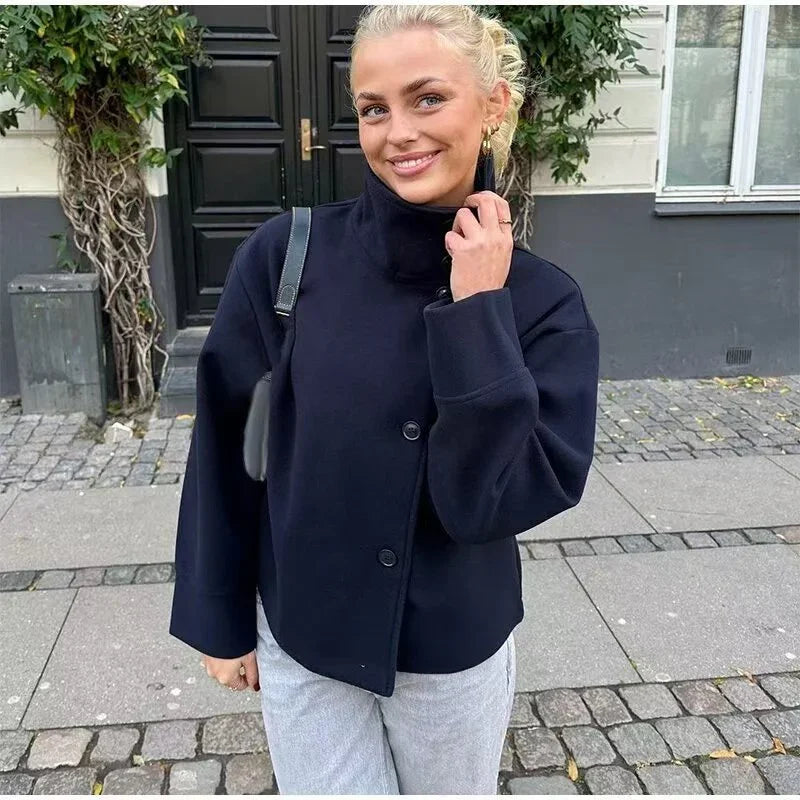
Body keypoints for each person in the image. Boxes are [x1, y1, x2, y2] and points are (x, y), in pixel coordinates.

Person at [169, 4, 600, 794]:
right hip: (304, 634)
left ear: (494, 104)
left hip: (451, 653)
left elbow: (489, 504)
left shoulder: (543, 305)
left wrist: (477, 317)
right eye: (374, 108)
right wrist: (219, 617)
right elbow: (227, 451)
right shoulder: (285, 258)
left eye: (427, 98)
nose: (397, 130)